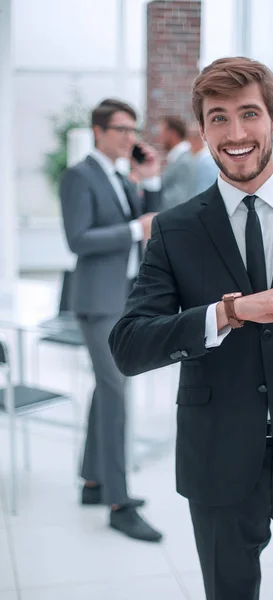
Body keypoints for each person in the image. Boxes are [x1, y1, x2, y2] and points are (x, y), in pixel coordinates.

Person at [108, 57, 273, 598]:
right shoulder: (174, 228)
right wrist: (228, 312)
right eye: (218, 118)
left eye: (249, 114)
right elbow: (129, 346)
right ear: (203, 129)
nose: (236, 134)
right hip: (220, 462)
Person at [60, 98, 163, 542]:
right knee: (116, 392)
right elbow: (78, 239)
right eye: (121, 129)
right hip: (97, 302)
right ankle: (118, 503)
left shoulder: (121, 176)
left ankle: (92, 482)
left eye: (132, 129)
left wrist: (153, 177)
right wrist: (131, 230)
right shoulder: (79, 175)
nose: (129, 137)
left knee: (109, 390)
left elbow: (154, 222)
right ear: (99, 131)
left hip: (125, 298)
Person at [157, 115, 196, 210]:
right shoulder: (177, 158)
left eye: (161, 132)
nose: (159, 137)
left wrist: (149, 195)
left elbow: (176, 200)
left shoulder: (184, 161)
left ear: (172, 134)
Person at [187, 123, 219, 194]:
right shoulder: (203, 159)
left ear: (196, 139)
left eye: (189, 139)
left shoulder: (206, 161)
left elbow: (206, 188)